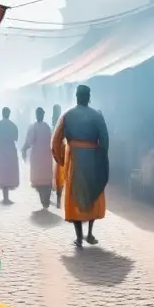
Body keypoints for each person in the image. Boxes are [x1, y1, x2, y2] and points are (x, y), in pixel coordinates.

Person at [52, 85, 109, 246]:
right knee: (92, 191)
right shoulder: (97, 116)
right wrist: (102, 158)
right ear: (88, 97)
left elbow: (56, 141)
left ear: (77, 97)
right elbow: (105, 140)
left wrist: (61, 159)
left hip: (74, 159)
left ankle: (79, 237)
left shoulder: (67, 115)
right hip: (92, 158)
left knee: (75, 195)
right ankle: (90, 234)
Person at [22, 107, 55, 209]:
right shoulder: (47, 127)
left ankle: (44, 201)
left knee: (40, 181)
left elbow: (29, 141)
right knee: (47, 180)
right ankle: (46, 200)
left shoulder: (34, 127)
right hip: (46, 156)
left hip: (37, 157)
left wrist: (24, 149)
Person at [0, 107, 20, 204]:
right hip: (10, 150)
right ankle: (6, 197)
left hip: (1, 149)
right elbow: (16, 138)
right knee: (9, 172)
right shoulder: (13, 126)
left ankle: (5, 197)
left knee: (2, 172)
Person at [52, 104, 64, 208]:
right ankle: (58, 200)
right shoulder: (63, 122)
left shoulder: (56, 123)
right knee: (60, 178)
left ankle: (58, 200)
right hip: (61, 153)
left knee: (58, 178)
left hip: (58, 154)